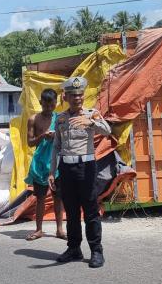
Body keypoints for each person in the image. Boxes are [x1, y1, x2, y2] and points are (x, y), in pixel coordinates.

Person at [48, 76, 111, 268]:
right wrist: (52, 172)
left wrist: (91, 123)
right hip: (66, 169)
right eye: (73, 95)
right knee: (72, 211)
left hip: (87, 168)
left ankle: (96, 251)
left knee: (91, 210)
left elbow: (108, 131)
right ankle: (74, 248)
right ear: (65, 97)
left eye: (80, 94)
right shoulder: (60, 119)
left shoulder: (92, 114)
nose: (78, 98)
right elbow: (56, 147)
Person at [24, 88, 65, 241]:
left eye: (51, 105)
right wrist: (43, 135)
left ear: (56, 103)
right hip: (40, 164)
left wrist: (56, 137)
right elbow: (29, 142)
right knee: (40, 197)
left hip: (57, 162)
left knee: (58, 197)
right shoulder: (33, 119)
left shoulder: (60, 118)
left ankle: (60, 229)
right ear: (40, 102)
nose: (48, 109)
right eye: (45, 105)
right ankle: (39, 229)